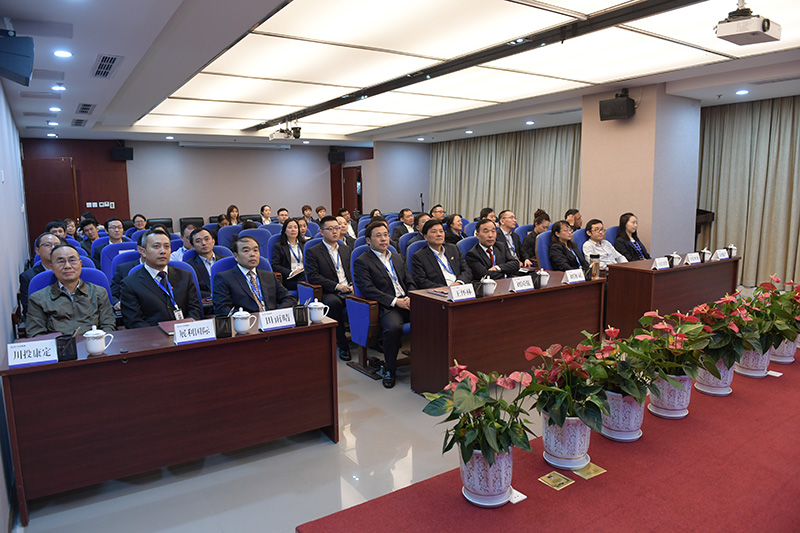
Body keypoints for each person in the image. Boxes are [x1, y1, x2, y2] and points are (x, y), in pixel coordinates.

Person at [353, 221, 416, 388]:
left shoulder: (397, 257)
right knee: (393, 328)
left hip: (406, 301)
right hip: (386, 305)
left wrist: (411, 297)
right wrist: (396, 301)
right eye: (378, 236)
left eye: (386, 235)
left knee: (434, 316)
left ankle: (427, 360)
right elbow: (368, 290)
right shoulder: (362, 261)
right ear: (368, 240)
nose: (383, 239)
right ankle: (390, 369)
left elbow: (409, 280)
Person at [26, 244, 116, 337]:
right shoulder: (38, 298)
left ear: (80, 264)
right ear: (52, 267)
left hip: (94, 343)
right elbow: (36, 334)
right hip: (58, 344)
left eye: (72, 260)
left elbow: (108, 325)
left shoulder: (98, 292)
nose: (67, 266)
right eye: (61, 261)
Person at [120, 229, 203, 328]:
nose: (163, 251)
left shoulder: (185, 276)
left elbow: (195, 309)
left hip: (186, 332)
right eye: (156, 246)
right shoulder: (130, 284)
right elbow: (134, 322)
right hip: (153, 335)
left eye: (167, 246)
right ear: (142, 251)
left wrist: (185, 328)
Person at [305, 215, 353, 361]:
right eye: (330, 229)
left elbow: (352, 271)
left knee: (368, 299)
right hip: (329, 290)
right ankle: (342, 343)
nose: (335, 231)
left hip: (349, 289)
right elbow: (313, 276)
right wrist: (337, 286)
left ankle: (371, 340)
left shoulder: (346, 249)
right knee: (334, 303)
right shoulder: (313, 251)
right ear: (321, 232)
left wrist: (352, 285)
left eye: (337, 228)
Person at [213, 235, 296, 316]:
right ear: (236, 256)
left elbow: (289, 299)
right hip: (246, 322)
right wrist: (248, 317)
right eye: (246, 251)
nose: (252, 254)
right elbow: (222, 309)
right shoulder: (224, 278)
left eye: (255, 250)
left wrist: (274, 315)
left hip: (271, 321)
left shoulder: (269, 276)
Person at [411, 219, 472, 289]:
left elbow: (466, 270)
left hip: (460, 288)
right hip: (439, 292)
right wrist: (446, 289)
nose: (439, 234)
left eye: (441, 231)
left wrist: (459, 283)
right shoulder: (419, 256)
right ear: (425, 237)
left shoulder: (453, 249)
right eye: (434, 232)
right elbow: (421, 281)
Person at [19, 233, 63, 318]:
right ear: (37, 251)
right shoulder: (28, 277)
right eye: (47, 245)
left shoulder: (73, 271)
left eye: (57, 245)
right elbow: (28, 310)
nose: (53, 248)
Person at [184, 227, 220, 306]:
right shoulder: (188, 266)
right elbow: (190, 290)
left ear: (213, 241)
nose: (204, 243)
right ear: (193, 246)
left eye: (207, 239)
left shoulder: (225, 261)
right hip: (205, 305)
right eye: (198, 241)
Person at [271, 218, 306, 292]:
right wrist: (291, 272)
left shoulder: (304, 244)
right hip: (290, 278)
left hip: (304, 274)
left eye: (295, 227)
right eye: (290, 227)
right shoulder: (279, 246)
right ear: (285, 230)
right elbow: (275, 265)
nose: (293, 230)